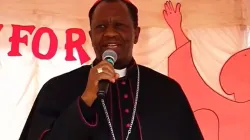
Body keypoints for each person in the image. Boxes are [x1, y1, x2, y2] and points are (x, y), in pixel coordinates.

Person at [19, 0, 204, 139]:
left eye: (119, 26)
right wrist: (86, 99)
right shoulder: (57, 89)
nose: (109, 33)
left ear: (136, 34)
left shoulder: (167, 91)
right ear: (91, 36)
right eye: (100, 27)